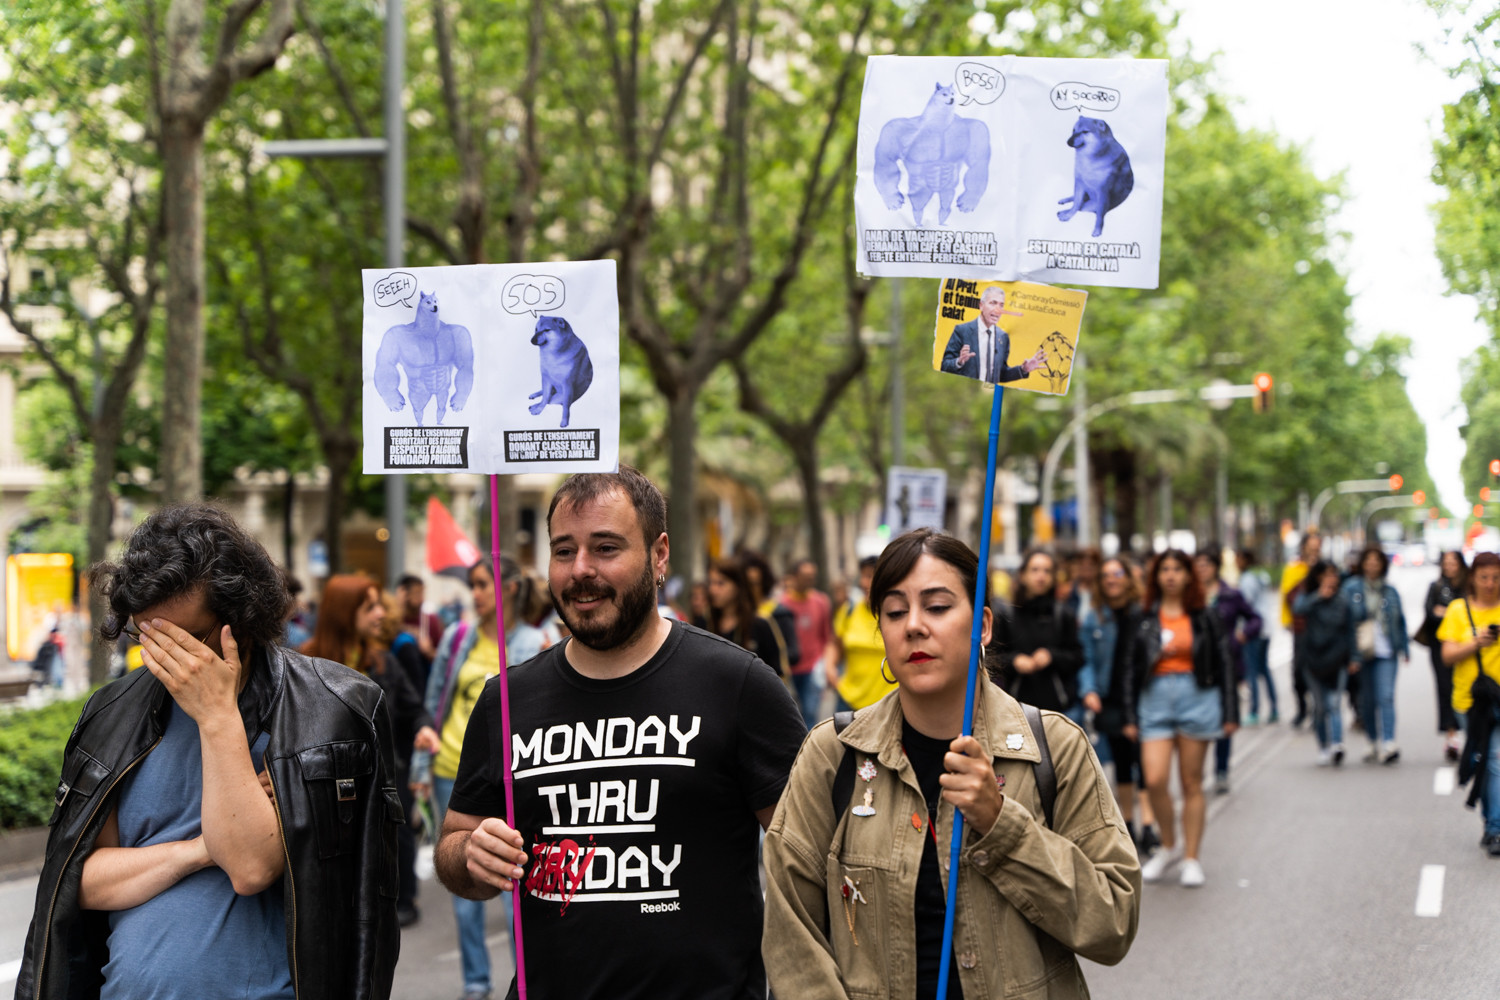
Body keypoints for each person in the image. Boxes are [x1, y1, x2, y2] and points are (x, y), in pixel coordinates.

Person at [434, 466, 806, 999]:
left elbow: (809, 857)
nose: (580, 570)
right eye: (563, 551)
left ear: (659, 555)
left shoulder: (737, 684)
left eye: (605, 547)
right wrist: (471, 854)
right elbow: (453, 846)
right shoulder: (506, 700)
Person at [16, 503, 402, 1000]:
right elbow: (82, 879)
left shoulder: (329, 708)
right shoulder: (112, 714)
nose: (163, 659)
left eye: (184, 640)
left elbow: (249, 867)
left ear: (239, 620)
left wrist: (217, 717)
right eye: (146, 637)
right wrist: (198, 850)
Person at [762, 528, 1139, 999]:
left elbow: (1113, 923)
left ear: (982, 624)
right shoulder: (833, 753)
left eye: (938, 607)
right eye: (895, 612)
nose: (914, 625)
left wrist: (1002, 824)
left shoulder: (1055, 747)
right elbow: (790, 932)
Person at [411, 556, 546, 1000]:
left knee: (513, 887)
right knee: (465, 882)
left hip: (512, 782)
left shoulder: (535, 642)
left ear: (508, 588)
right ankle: (475, 985)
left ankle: (524, 982)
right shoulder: (458, 637)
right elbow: (435, 702)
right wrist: (423, 759)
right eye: (473, 585)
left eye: (484, 584)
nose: (477, 594)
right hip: (454, 772)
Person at [302, 575, 441, 929]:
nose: (382, 613)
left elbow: (414, 709)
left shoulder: (383, 663)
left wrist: (424, 727)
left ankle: (403, 899)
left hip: (382, 779)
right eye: (371, 606)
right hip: (323, 791)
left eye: (380, 604)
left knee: (397, 836)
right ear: (346, 613)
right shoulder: (301, 666)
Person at [1123, 549, 1237, 887]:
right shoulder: (1143, 616)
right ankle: (1168, 846)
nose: (1171, 575)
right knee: (1155, 779)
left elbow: (1225, 662)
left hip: (1197, 696)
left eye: (1178, 569)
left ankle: (1191, 858)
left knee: (1191, 783)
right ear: (1156, 576)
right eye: (1164, 569)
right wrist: (1130, 714)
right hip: (1154, 698)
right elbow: (1129, 668)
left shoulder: (1205, 616)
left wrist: (1230, 711)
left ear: (1189, 575)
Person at [1080, 556, 1159, 854]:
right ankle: (1129, 824)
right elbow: (1085, 658)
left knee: (1145, 762)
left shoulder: (1144, 613)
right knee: (1123, 764)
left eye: (1117, 573)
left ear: (1128, 578)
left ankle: (1149, 826)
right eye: (1105, 575)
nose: (1111, 579)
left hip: (1144, 697)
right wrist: (1089, 690)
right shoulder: (1094, 617)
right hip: (1109, 700)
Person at [1438, 551, 1500, 856]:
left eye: (1496, 578)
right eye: (1484, 577)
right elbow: (1447, 655)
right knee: (1486, 762)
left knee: (1495, 760)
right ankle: (1492, 824)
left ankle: (1495, 829)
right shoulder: (1458, 611)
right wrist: (1475, 641)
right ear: (1473, 578)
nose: (1490, 584)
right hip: (1470, 702)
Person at [1194, 547, 1263, 795]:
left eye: (1206, 564)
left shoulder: (1230, 595)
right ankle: (1195, 773)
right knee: (1199, 722)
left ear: (1215, 567)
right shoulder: (1189, 598)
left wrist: (1242, 636)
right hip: (1196, 669)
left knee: (1226, 719)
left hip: (1227, 666)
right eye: (1198, 565)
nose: (1202, 569)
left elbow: (1255, 619)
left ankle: (1221, 769)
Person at [989, 548, 1084, 716]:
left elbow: (1077, 657)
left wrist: (1052, 656)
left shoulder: (1063, 614)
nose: (1041, 576)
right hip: (1016, 709)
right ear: (1023, 575)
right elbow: (993, 658)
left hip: (1058, 710)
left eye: (1047, 571)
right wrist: (1015, 661)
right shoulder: (1007, 615)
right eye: (1035, 570)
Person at [1341, 545, 1409, 764]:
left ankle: (1389, 742)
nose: (1372, 565)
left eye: (1376, 562)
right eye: (1368, 561)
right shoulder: (1352, 588)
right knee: (1367, 700)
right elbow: (1345, 620)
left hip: (1387, 651)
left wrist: (1404, 648)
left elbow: (1400, 621)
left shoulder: (1390, 591)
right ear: (1362, 564)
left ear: (1383, 565)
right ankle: (1372, 740)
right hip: (1362, 652)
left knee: (1386, 696)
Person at [1294, 561, 1353, 766]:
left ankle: (1337, 744)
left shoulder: (1343, 599)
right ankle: (1323, 746)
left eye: (1333, 575)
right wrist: (1319, 595)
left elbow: (1351, 629)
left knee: (1334, 703)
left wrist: (1354, 657)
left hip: (1337, 660)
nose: (1330, 579)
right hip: (1313, 660)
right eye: (1326, 575)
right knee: (1319, 707)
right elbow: (1297, 608)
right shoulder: (1309, 596)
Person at [939, 285, 1047, 383]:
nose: (997, 310)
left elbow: (1001, 374)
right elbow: (944, 365)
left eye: (1001, 305)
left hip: (989, 396)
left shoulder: (1003, 337)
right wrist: (959, 361)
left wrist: (1023, 370)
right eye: (993, 303)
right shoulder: (962, 330)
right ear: (981, 305)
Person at [828, 555, 895, 712]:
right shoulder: (849, 610)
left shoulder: (896, 614)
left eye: (870, 576)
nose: (863, 583)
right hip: (848, 702)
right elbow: (835, 643)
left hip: (887, 706)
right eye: (863, 576)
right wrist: (830, 668)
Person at [1419, 550, 1467, 761]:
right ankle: (1451, 737)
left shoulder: (1470, 587)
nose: (1449, 566)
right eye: (1445, 563)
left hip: (1468, 647)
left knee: (1470, 688)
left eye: (1453, 562)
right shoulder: (1437, 586)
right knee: (1445, 689)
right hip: (1442, 647)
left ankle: (1473, 734)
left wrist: (1446, 612)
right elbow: (1430, 613)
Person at [706, 556, 788, 670]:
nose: (713, 590)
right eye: (710, 583)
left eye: (720, 583)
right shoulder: (705, 622)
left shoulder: (760, 624)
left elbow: (778, 669)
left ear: (738, 586)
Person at [784, 557, 834, 726]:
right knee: (791, 715)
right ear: (795, 577)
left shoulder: (821, 602)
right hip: (788, 670)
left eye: (812, 576)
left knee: (810, 712)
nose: (809, 580)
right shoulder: (782, 605)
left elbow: (826, 636)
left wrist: (826, 666)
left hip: (813, 669)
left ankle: (809, 749)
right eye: (805, 575)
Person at [1281, 532, 1322, 728]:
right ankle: (1302, 708)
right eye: (1311, 546)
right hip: (1301, 628)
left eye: (1317, 546)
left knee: (1319, 670)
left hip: (1322, 627)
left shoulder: (1324, 569)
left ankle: (1318, 710)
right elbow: (1288, 596)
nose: (1314, 550)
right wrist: (1285, 620)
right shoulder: (1294, 569)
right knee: (1298, 670)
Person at [1236, 548, 1277, 724]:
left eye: (1238, 558)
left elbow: (1245, 605)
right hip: (1266, 628)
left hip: (1254, 630)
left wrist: (1241, 630)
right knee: (1265, 670)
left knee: (1252, 671)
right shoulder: (1259, 576)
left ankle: (1254, 711)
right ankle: (1274, 708)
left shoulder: (1247, 579)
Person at [396, 572, 444, 669]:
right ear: (405, 594)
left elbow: (443, 659)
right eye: (417, 593)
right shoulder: (394, 619)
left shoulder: (430, 620)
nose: (422, 599)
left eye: (422, 593)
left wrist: (429, 651)